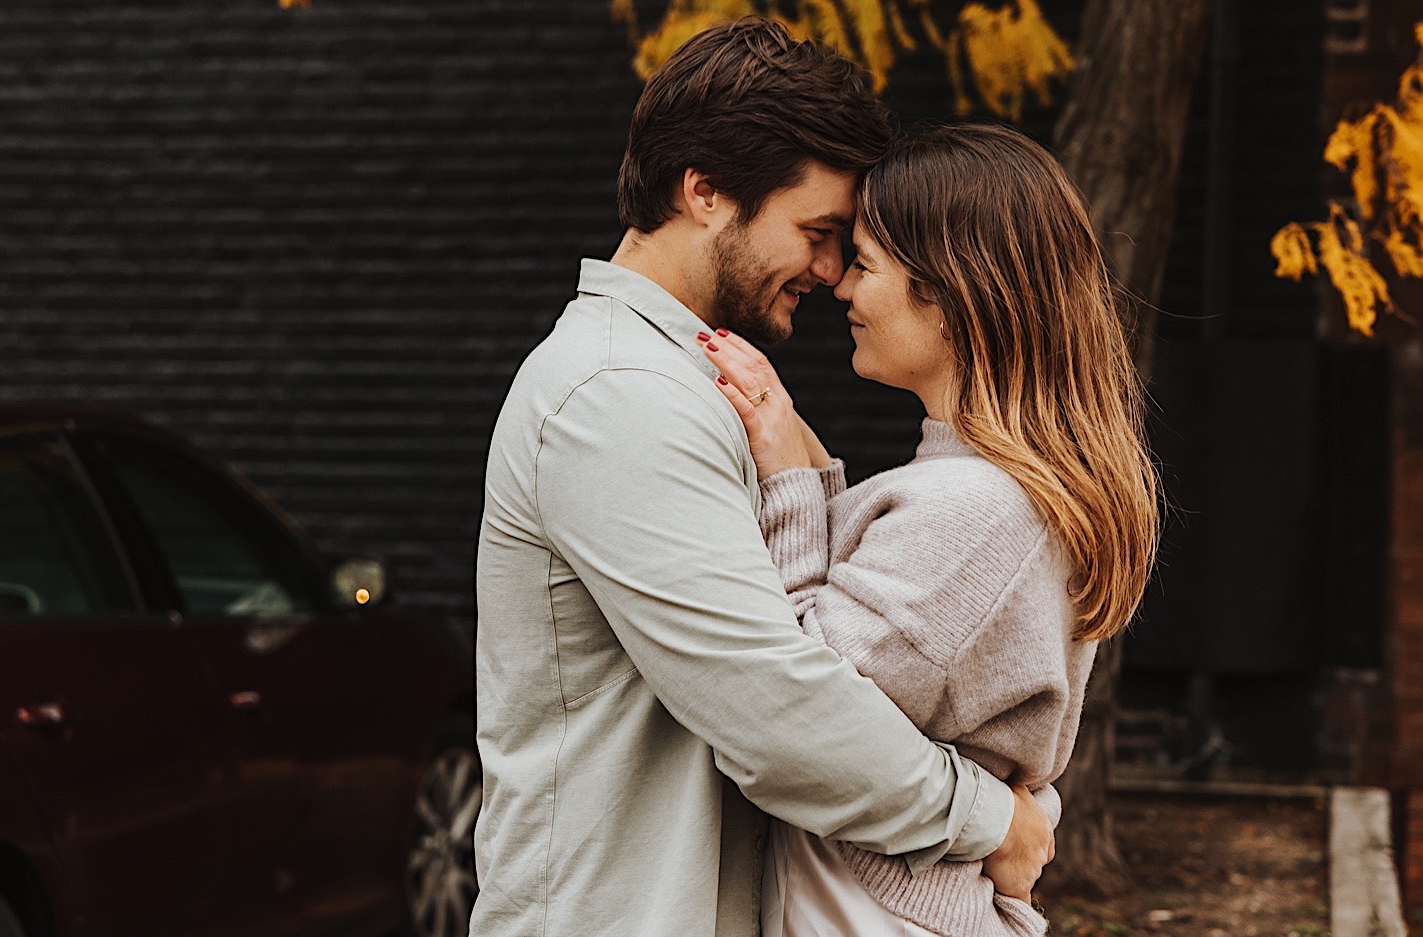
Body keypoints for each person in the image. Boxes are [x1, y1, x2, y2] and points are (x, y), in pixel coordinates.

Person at [472, 19, 1056, 937]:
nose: (831, 272)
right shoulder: (618, 395)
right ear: (702, 191)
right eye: (817, 232)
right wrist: (988, 822)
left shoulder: (683, 381)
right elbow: (775, 705)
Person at [699, 122, 1161, 937]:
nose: (840, 285)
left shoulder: (976, 510)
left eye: (867, 263)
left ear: (948, 295)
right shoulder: (982, 491)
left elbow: (799, 706)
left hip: (876, 910)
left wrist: (789, 481)